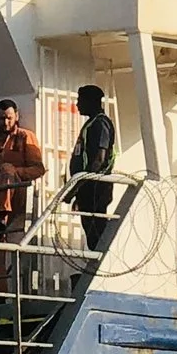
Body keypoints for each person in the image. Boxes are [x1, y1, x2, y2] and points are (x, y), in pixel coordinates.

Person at [0, 97, 45, 296]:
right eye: (1, 118)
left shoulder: (25, 137)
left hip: (19, 198)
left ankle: (23, 293)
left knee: (16, 243)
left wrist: (13, 172)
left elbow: (38, 169)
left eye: (8, 118)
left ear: (16, 117)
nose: (5, 122)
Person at [63, 84, 120, 255]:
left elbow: (99, 159)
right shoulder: (91, 123)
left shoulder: (100, 124)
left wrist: (77, 186)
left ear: (91, 101)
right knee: (92, 234)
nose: (77, 105)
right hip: (88, 189)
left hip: (96, 188)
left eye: (80, 100)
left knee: (97, 235)